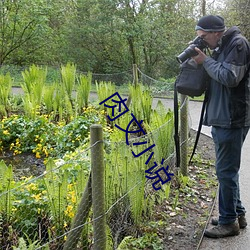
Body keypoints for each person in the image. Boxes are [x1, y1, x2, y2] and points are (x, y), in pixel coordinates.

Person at [192, 15, 250, 238]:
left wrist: (205, 61)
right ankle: (237, 214)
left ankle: (228, 223)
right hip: (222, 117)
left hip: (232, 118)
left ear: (216, 32)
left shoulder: (238, 44)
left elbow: (229, 77)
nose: (203, 41)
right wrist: (202, 60)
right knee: (227, 171)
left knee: (225, 171)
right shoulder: (221, 46)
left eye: (204, 37)